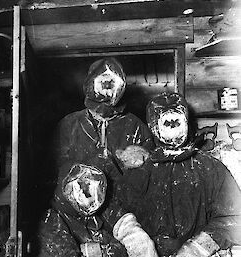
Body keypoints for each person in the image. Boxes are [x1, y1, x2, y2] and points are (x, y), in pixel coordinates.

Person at [118, 92, 241, 256]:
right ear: (153, 125)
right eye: (167, 121)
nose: (172, 126)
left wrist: (199, 247)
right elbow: (117, 212)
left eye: (176, 120)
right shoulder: (139, 172)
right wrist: (135, 238)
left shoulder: (210, 169)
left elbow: (234, 218)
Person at [52, 57, 155, 184]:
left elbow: (151, 171)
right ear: (91, 83)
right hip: (82, 198)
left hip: (124, 200)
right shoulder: (70, 124)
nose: (107, 86)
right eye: (102, 81)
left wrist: (141, 158)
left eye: (112, 82)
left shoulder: (135, 125)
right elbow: (55, 169)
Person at [37, 163, 158, 257]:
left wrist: (138, 242)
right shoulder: (51, 221)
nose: (83, 190)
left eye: (87, 183)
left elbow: (131, 231)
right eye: (76, 186)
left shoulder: (101, 206)